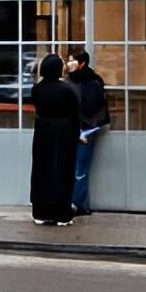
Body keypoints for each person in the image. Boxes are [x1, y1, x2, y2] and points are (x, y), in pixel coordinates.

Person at [29, 53, 80, 226]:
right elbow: (75, 114)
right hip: (64, 133)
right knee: (62, 171)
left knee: (42, 171)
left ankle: (40, 212)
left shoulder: (37, 89)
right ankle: (61, 213)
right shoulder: (67, 89)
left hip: (43, 132)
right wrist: (76, 135)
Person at [66, 50, 111, 216]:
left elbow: (93, 107)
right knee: (74, 167)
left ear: (82, 63)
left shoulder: (92, 82)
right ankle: (73, 202)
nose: (69, 64)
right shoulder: (71, 80)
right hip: (74, 128)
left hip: (85, 128)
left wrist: (83, 129)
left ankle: (77, 203)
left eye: (72, 61)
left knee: (80, 168)